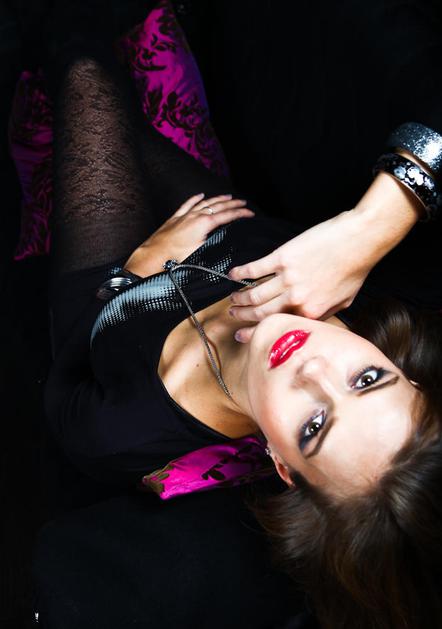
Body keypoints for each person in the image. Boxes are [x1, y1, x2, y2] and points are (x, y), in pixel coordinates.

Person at [40, 1, 442, 627]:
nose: (313, 367)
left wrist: (135, 272)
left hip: (110, 284)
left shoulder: (126, 431)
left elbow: (68, 366)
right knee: (118, 123)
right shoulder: (367, 300)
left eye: (314, 427)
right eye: (367, 379)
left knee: (79, 66)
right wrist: (368, 230)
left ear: (281, 466)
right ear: (402, 369)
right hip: (224, 221)